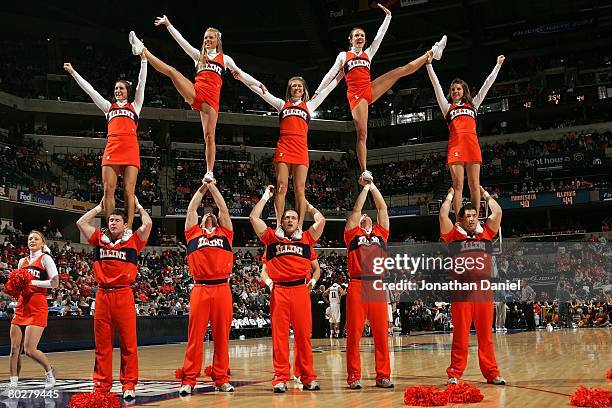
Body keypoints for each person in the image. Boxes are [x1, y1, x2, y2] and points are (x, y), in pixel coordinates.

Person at [313, 3, 446, 182]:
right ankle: (364, 170)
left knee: (399, 71)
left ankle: (432, 52)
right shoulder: (343, 56)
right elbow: (330, 74)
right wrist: (317, 92)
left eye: (362, 35)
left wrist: (388, 17)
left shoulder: (368, 53)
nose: (360, 37)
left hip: (369, 88)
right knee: (362, 133)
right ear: (350, 40)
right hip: (356, 96)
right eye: (356, 35)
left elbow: (380, 37)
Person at [129, 15, 266, 182]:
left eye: (211, 37)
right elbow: (182, 41)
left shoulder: (225, 59)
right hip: (196, 92)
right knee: (172, 72)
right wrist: (168, 24)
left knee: (209, 136)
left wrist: (258, 84)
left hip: (211, 101)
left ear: (217, 40)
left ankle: (209, 172)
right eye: (205, 37)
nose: (207, 40)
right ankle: (143, 50)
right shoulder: (198, 55)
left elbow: (242, 75)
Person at [239, 75, 337, 240]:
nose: (297, 88)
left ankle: (299, 228)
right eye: (294, 86)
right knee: (282, 186)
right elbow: (260, 92)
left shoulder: (310, 105)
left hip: (301, 149)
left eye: (300, 86)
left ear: (304, 89)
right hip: (284, 147)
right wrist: (241, 78)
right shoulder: (281, 104)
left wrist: (342, 72)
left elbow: (327, 89)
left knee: (300, 190)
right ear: (289, 89)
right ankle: (278, 225)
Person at [64, 51, 148, 240]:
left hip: (130, 150)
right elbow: (90, 91)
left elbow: (142, 83)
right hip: (112, 150)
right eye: (116, 89)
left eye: (121, 89)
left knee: (129, 190)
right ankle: (111, 229)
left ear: (128, 91)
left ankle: (127, 229)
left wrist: (144, 61)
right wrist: (74, 73)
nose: (118, 91)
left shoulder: (135, 106)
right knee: (108, 190)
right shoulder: (108, 108)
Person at [250, 185, 325, 393]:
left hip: (301, 290)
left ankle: (307, 376)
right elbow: (254, 218)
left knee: (304, 336)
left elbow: (321, 221)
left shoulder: (307, 239)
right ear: (281, 222)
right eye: (287, 218)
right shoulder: (272, 239)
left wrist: (307, 206)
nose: (290, 220)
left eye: (293, 217)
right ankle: (280, 377)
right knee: (280, 337)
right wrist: (266, 196)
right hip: (280, 291)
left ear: (297, 221)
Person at [76, 197, 152, 400]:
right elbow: (81, 223)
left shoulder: (134, 241)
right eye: (110, 220)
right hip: (102, 294)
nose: (113, 223)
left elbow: (148, 223)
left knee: (128, 343)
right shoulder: (99, 239)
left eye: (117, 220)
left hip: (123, 293)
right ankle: (101, 385)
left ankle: (129, 384)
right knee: (102, 344)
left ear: (125, 224)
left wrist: (138, 207)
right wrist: (98, 208)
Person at [439, 186, 506, 385]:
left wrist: (485, 193)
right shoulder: (453, 236)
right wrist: (451, 195)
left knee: (486, 336)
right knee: (460, 335)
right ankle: (455, 374)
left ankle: (492, 373)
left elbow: (498, 212)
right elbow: (443, 216)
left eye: (474, 215)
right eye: (467, 215)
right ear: (460, 219)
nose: (471, 218)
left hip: (484, 291)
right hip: (461, 292)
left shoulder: (485, 234)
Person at [426, 54, 505, 218]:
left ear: (464, 91)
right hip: (456, 146)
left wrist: (497, 65)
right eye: (453, 89)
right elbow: (436, 86)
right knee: (458, 185)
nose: (455, 91)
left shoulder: (474, 104)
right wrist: (429, 65)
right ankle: (459, 220)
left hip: (472, 145)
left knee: (475, 185)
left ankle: (474, 218)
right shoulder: (447, 107)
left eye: (458, 88)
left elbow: (487, 85)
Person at [176, 178, 234, 395]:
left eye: (212, 214)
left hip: (222, 288)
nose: (208, 214)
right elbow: (192, 208)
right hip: (200, 288)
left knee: (222, 337)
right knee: (195, 337)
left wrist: (213, 186)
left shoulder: (225, 233)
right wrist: (203, 186)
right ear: (200, 221)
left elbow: (223, 208)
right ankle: (189, 379)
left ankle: (221, 377)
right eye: (205, 214)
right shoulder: (193, 233)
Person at [344, 179, 393, 389]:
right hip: (357, 283)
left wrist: (373, 185)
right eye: (363, 216)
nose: (365, 216)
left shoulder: (381, 234)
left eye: (367, 216)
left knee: (381, 333)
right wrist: (364, 188)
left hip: (377, 285)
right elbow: (357, 209)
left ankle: (383, 375)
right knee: (354, 333)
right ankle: (354, 376)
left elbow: (382, 207)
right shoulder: (352, 234)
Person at [9, 231, 59, 389]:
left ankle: (49, 371)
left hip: (37, 306)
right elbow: (19, 285)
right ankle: (13, 382)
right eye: (30, 238)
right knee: (14, 348)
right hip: (22, 306)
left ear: (42, 243)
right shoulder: (21, 261)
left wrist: (33, 282)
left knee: (29, 349)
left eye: (36, 238)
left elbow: (55, 282)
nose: (32, 241)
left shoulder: (45, 259)